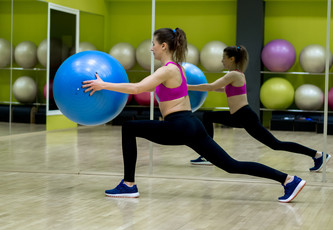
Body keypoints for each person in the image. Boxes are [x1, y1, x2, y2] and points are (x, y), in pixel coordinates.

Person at [82, 28, 306, 203]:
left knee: (129, 128)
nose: (151, 49)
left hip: (179, 125)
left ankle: (129, 185)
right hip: (190, 125)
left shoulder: (167, 69)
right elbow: (148, 88)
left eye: (153, 44)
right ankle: (288, 179)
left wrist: (103, 85)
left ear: (162, 45)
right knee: (231, 165)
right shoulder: (176, 68)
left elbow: (137, 89)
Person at [188, 45, 331, 170]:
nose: (222, 61)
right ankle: (208, 155)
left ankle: (317, 155)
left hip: (244, 116)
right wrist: (203, 88)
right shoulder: (235, 76)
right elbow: (221, 89)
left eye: (224, 58)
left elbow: (211, 86)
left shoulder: (233, 74)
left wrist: (186, 87)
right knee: (207, 116)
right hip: (237, 116)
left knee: (276, 144)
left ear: (232, 59)